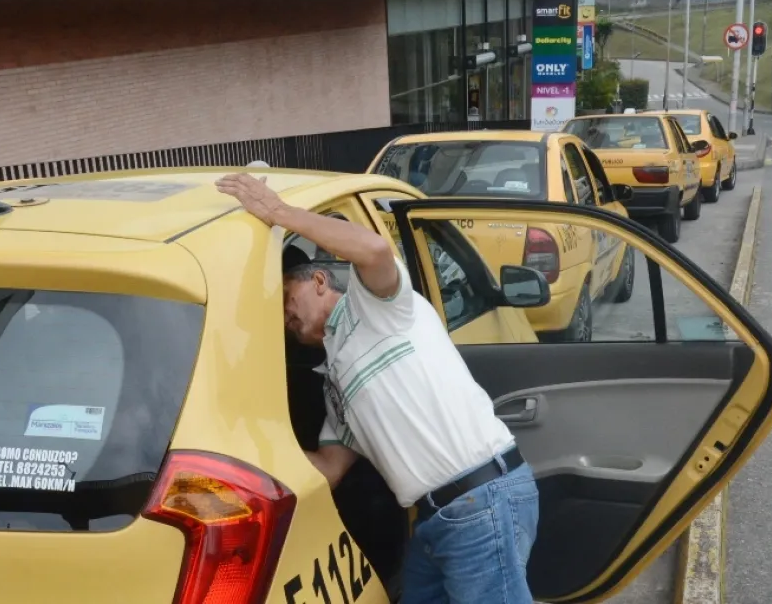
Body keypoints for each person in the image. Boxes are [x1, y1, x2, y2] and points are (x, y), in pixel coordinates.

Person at [216, 173, 540, 604]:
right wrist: (241, 458)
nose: (284, 317)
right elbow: (329, 469)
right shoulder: (336, 388)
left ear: (318, 282)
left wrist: (278, 213)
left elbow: (373, 250)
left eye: (286, 297)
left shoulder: (374, 307)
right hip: (437, 518)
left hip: (480, 503)